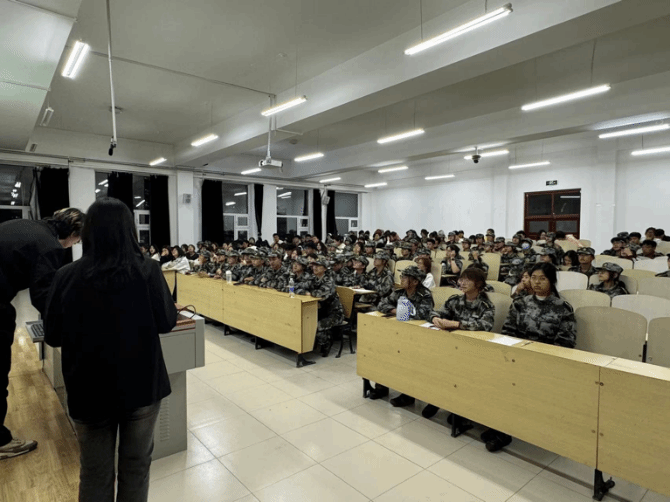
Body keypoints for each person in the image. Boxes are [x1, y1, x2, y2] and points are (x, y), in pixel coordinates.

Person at [45, 198, 176, 502]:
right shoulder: (148, 269)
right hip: (141, 386)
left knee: (94, 472)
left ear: (87, 232)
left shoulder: (66, 276)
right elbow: (166, 322)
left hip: (88, 389)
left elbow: (53, 335)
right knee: (136, 467)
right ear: (130, 231)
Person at [0, 208, 85, 460]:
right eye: (77, 241)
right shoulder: (50, 246)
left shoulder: (27, 225)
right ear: (72, 234)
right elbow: (45, 297)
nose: (74, 245)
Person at [482, 263, 577, 453]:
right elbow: (508, 331)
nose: (537, 282)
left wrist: (539, 358)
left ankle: (504, 432)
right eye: (533, 278)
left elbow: (566, 341)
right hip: (518, 357)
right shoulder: (520, 303)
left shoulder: (562, 307)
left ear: (551, 281)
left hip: (546, 362)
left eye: (542, 278)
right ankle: (499, 426)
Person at [423, 268, 495, 418]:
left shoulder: (485, 305)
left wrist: (456, 324)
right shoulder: (455, 300)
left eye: (467, 280)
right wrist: (435, 318)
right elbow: (435, 312)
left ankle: (460, 409)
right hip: (451, 346)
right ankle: (437, 400)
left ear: (478, 284)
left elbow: (484, 325)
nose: (462, 283)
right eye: (461, 279)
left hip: (472, 349)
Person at [377, 266, 434, 404]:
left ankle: (408, 394)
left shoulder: (425, 295)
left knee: (408, 362)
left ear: (415, 281)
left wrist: (401, 311)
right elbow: (381, 304)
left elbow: (423, 314)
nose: (401, 279)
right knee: (383, 353)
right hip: (397, 331)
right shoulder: (399, 292)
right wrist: (396, 311)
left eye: (405, 277)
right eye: (401, 276)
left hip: (416, 335)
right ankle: (381, 387)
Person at [307, 257, 345, 356]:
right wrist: (307, 292)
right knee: (306, 321)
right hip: (321, 311)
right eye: (314, 265)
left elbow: (320, 294)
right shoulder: (313, 278)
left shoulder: (329, 281)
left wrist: (310, 293)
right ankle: (309, 345)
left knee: (318, 324)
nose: (315, 268)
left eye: (318, 266)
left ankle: (326, 342)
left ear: (324, 268)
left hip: (334, 313)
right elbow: (302, 287)